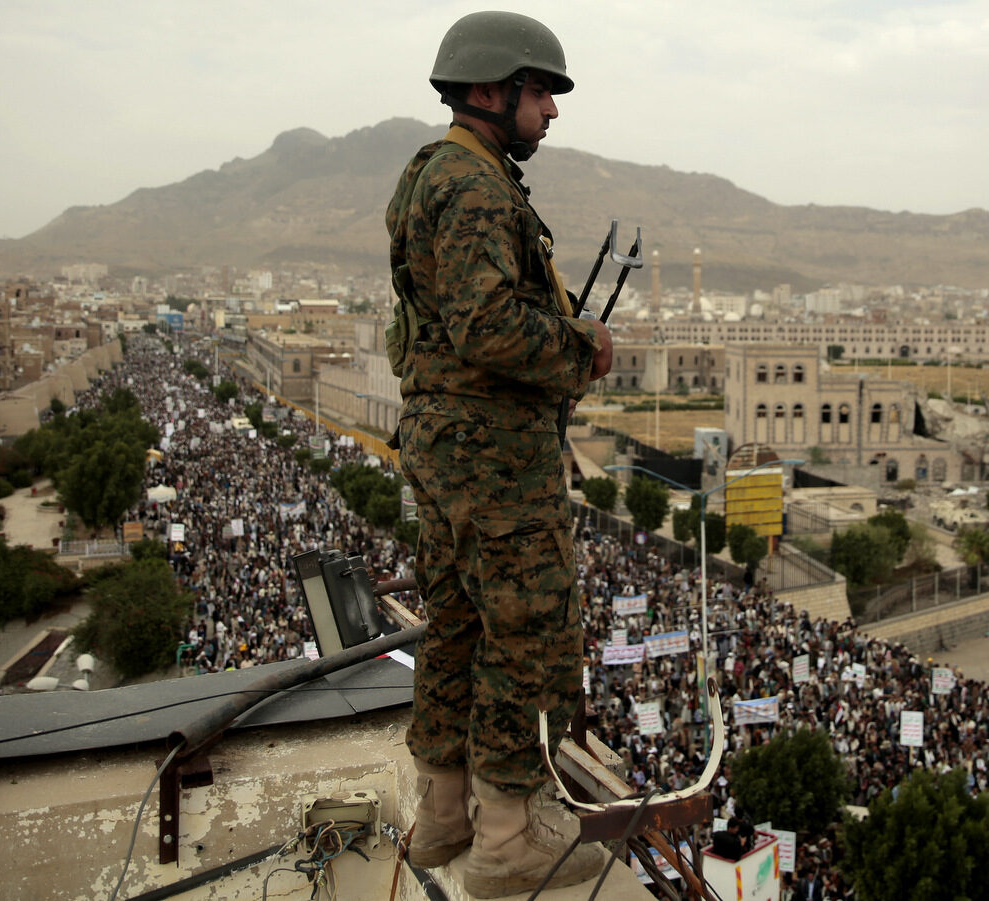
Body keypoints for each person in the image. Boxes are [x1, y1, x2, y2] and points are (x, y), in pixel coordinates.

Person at [390, 11, 613, 896]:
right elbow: (486, 325)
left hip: (447, 448)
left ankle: (445, 816)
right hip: (493, 456)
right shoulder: (477, 188)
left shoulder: (430, 175)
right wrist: (579, 347)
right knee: (520, 629)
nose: (552, 111)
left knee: (455, 626)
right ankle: (508, 838)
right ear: (491, 90)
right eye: (541, 90)